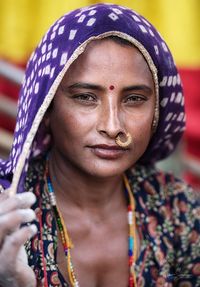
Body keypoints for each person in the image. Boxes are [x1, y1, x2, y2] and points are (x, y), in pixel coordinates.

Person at [0, 3, 199, 287]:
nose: (113, 126)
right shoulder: (7, 214)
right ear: (46, 109)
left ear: (157, 112)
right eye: (85, 97)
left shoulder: (178, 209)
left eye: (134, 99)